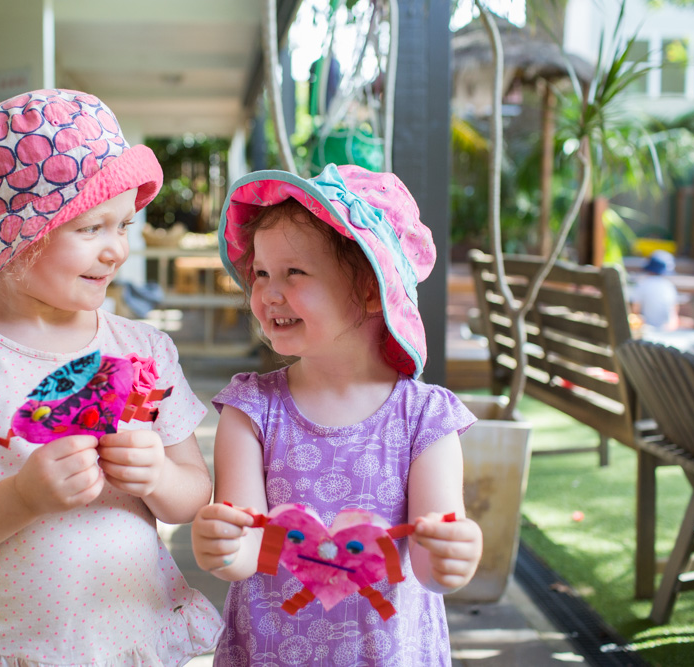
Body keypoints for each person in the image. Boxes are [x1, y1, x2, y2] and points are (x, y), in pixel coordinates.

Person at [0, 89, 222, 666]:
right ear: (16, 240)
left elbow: (192, 495)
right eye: (91, 229)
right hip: (6, 649)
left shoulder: (142, 351)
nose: (117, 251)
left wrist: (158, 475)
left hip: (135, 638)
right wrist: (22, 497)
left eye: (123, 225)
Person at [191, 164, 484, 665]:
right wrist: (221, 548)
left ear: (370, 289)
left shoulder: (425, 419)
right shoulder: (251, 411)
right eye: (261, 273)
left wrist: (456, 553)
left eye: (294, 273)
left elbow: (430, 566)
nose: (269, 293)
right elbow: (247, 549)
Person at [630, 249, 680, 331]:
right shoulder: (668, 286)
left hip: (646, 328)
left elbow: (635, 310)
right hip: (666, 329)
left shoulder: (642, 284)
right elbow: (674, 313)